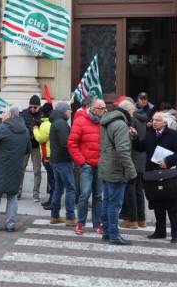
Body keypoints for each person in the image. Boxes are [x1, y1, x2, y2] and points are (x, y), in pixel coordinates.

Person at [136, 112, 177, 244]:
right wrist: (134, 138)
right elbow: (140, 147)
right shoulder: (150, 134)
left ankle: (176, 234)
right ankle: (160, 231)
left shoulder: (174, 135)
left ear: (165, 122)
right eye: (153, 119)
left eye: (158, 120)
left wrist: (168, 161)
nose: (154, 122)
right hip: (153, 174)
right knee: (157, 203)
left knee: (173, 206)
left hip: (169, 175)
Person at [0, 105, 31, 232]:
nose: (1, 115)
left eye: (3, 113)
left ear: (9, 115)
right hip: (16, 167)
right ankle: (10, 224)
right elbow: (28, 149)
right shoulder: (24, 129)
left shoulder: (1, 128)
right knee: (12, 196)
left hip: (0, 166)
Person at [98, 99, 138, 245]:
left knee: (107, 202)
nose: (133, 115)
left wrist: (130, 136)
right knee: (115, 204)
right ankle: (114, 235)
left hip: (106, 166)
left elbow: (112, 144)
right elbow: (122, 150)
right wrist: (132, 172)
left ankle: (107, 232)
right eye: (133, 112)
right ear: (128, 111)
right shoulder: (121, 124)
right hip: (116, 169)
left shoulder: (107, 121)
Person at [68, 98, 105, 235]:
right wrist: (81, 161)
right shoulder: (80, 120)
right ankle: (80, 223)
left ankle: (98, 224)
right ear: (94, 109)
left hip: (101, 165)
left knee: (98, 196)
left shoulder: (105, 122)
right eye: (102, 108)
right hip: (87, 165)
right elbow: (72, 143)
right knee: (84, 194)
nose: (105, 111)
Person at [122, 97, 148, 229]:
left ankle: (132, 219)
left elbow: (129, 140)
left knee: (130, 189)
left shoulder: (131, 120)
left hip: (133, 158)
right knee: (138, 189)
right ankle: (141, 219)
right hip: (141, 158)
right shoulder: (142, 118)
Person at [48, 102, 75, 227]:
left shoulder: (57, 122)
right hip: (63, 160)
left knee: (58, 189)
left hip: (56, 160)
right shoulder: (61, 123)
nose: (71, 112)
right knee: (70, 188)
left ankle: (55, 216)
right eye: (69, 110)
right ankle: (70, 217)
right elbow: (66, 142)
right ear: (64, 110)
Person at [19, 95, 44, 202]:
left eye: (35, 107)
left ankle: (36, 193)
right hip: (24, 145)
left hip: (36, 146)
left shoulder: (43, 115)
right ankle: (18, 191)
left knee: (37, 170)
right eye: (31, 107)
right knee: (20, 169)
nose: (32, 109)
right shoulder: (23, 114)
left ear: (39, 106)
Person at [32, 102, 55, 209]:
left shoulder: (46, 124)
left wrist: (35, 129)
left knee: (52, 180)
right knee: (52, 180)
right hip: (50, 155)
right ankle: (51, 200)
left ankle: (53, 202)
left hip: (48, 156)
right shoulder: (51, 122)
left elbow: (41, 138)